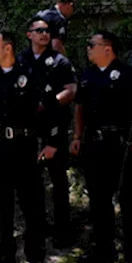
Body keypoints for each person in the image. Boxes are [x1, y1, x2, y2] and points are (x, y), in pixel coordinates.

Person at [0, 32, 63, 263]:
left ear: (8, 48)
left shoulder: (31, 74)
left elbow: (53, 109)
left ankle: (36, 258)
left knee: (32, 205)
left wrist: (52, 142)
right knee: (3, 205)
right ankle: (5, 254)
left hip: (26, 148)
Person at [71, 30, 132, 263]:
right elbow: (79, 107)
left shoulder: (129, 74)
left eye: (91, 44)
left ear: (107, 48)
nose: (88, 49)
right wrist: (77, 137)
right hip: (94, 145)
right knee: (98, 200)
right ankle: (103, 249)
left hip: (121, 145)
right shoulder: (87, 75)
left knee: (128, 202)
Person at [21, 17, 79, 246]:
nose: (45, 34)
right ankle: (36, 228)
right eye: (39, 30)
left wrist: (49, 102)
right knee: (30, 182)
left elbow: (71, 90)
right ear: (29, 34)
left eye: (48, 31)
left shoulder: (59, 61)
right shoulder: (20, 60)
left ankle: (62, 231)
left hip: (54, 127)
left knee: (58, 181)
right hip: (27, 129)